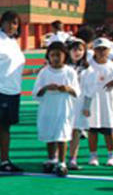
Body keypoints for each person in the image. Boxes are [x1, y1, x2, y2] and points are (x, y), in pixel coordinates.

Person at [0, 11, 36, 178]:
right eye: (9, 22)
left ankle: (4, 162)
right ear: (2, 22)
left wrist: (34, 71)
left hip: (12, 91)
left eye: (16, 23)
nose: (12, 26)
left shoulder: (13, 42)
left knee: (6, 127)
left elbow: (14, 69)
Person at [32, 42, 80, 176]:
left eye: (58, 55)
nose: (55, 58)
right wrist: (46, 88)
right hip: (48, 108)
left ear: (65, 56)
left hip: (64, 108)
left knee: (62, 134)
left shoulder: (70, 72)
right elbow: (36, 92)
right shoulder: (44, 72)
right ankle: (51, 159)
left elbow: (77, 91)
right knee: (49, 134)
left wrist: (67, 89)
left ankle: (62, 162)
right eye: (52, 55)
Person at [81, 38, 113, 167]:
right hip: (91, 104)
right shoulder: (88, 66)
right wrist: (85, 105)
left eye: (104, 49)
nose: (101, 51)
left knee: (109, 131)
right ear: (94, 50)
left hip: (108, 104)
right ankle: (93, 155)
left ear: (109, 51)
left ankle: (112, 155)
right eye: (98, 49)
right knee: (92, 130)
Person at [65, 37, 91, 170]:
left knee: (75, 131)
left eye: (80, 50)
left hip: (79, 104)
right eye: (74, 49)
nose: (77, 52)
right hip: (64, 103)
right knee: (62, 131)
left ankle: (73, 159)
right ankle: (57, 158)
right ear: (68, 51)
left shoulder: (87, 69)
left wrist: (87, 106)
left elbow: (89, 90)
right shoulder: (63, 67)